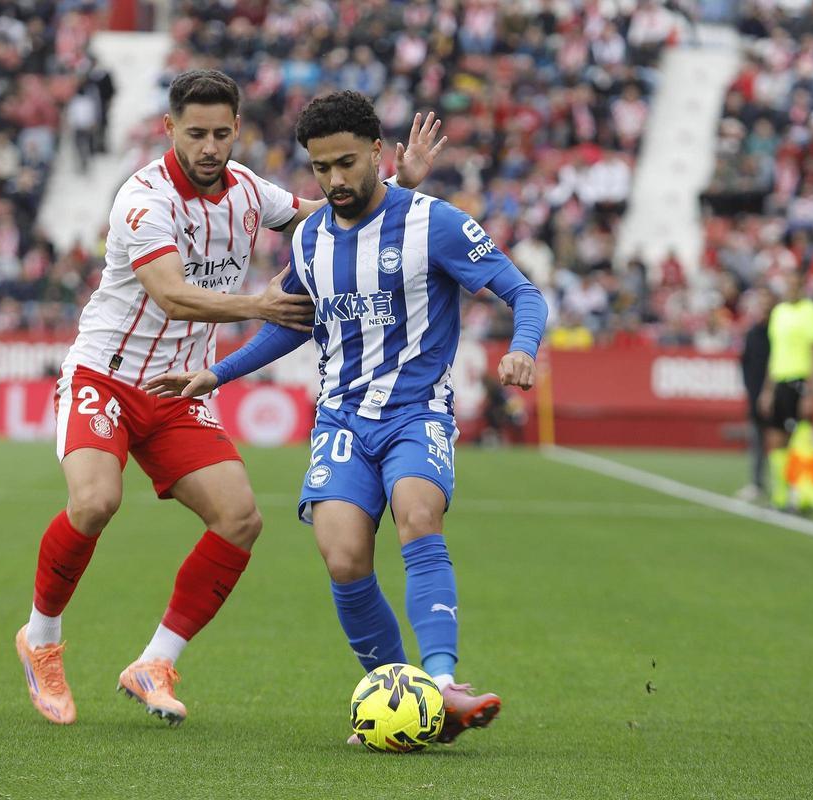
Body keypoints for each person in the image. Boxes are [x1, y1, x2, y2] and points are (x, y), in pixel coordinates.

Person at [14, 70, 445, 727]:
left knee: (240, 518)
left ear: (237, 129)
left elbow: (338, 217)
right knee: (96, 500)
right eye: (196, 134)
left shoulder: (249, 190)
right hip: (108, 374)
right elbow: (169, 292)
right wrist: (258, 305)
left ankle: (155, 661)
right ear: (169, 130)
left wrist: (403, 185)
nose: (210, 147)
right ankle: (42, 639)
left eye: (221, 133)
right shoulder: (143, 198)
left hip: (180, 387)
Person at [145, 91, 549, 745]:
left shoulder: (435, 224)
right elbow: (291, 325)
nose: (334, 180)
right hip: (341, 422)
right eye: (321, 168)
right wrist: (217, 373)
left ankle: (443, 682)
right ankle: (404, 697)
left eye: (346, 164)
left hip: (417, 413)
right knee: (342, 558)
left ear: (378, 155)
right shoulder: (308, 238)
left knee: (419, 515)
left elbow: (523, 292)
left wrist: (523, 349)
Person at [759, 271, 813, 511]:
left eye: (796, 284)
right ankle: (780, 494)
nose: (792, 288)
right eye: (788, 284)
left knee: (798, 441)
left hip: (799, 382)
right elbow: (775, 354)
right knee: (776, 439)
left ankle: (802, 495)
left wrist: (810, 391)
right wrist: (767, 390)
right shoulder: (779, 313)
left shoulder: (811, 312)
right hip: (780, 381)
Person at [736, 286, 773, 503]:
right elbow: (745, 363)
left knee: (780, 441)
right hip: (756, 393)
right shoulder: (753, 334)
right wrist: (752, 392)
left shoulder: (778, 332)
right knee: (757, 441)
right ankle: (757, 482)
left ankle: (786, 484)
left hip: (777, 393)